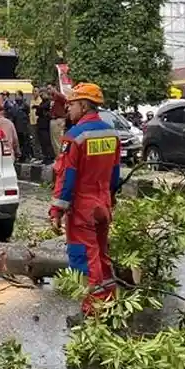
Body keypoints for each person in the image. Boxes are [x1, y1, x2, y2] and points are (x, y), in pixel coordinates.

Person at [50, 83, 121, 320]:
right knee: (101, 254)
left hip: (83, 207)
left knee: (84, 258)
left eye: (71, 104)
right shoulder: (111, 133)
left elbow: (66, 176)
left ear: (83, 105)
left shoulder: (75, 136)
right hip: (103, 203)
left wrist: (57, 210)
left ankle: (93, 310)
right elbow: (114, 172)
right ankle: (110, 302)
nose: (68, 109)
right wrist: (110, 197)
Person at [34, 91, 54, 163]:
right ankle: (45, 156)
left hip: (45, 124)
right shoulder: (42, 103)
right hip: (40, 124)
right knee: (42, 142)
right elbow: (37, 112)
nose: (42, 96)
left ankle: (49, 157)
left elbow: (44, 108)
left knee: (46, 142)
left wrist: (39, 108)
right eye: (41, 95)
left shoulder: (48, 102)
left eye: (43, 94)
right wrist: (39, 109)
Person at [49, 84, 68, 160]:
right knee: (54, 141)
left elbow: (66, 101)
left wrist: (64, 115)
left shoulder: (58, 95)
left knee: (58, 141)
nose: (48, 90)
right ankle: (58, 157)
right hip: (54, 120)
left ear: (54, 88)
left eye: (50, 88)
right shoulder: (53, 97)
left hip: (58, 120)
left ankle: (61, 158)